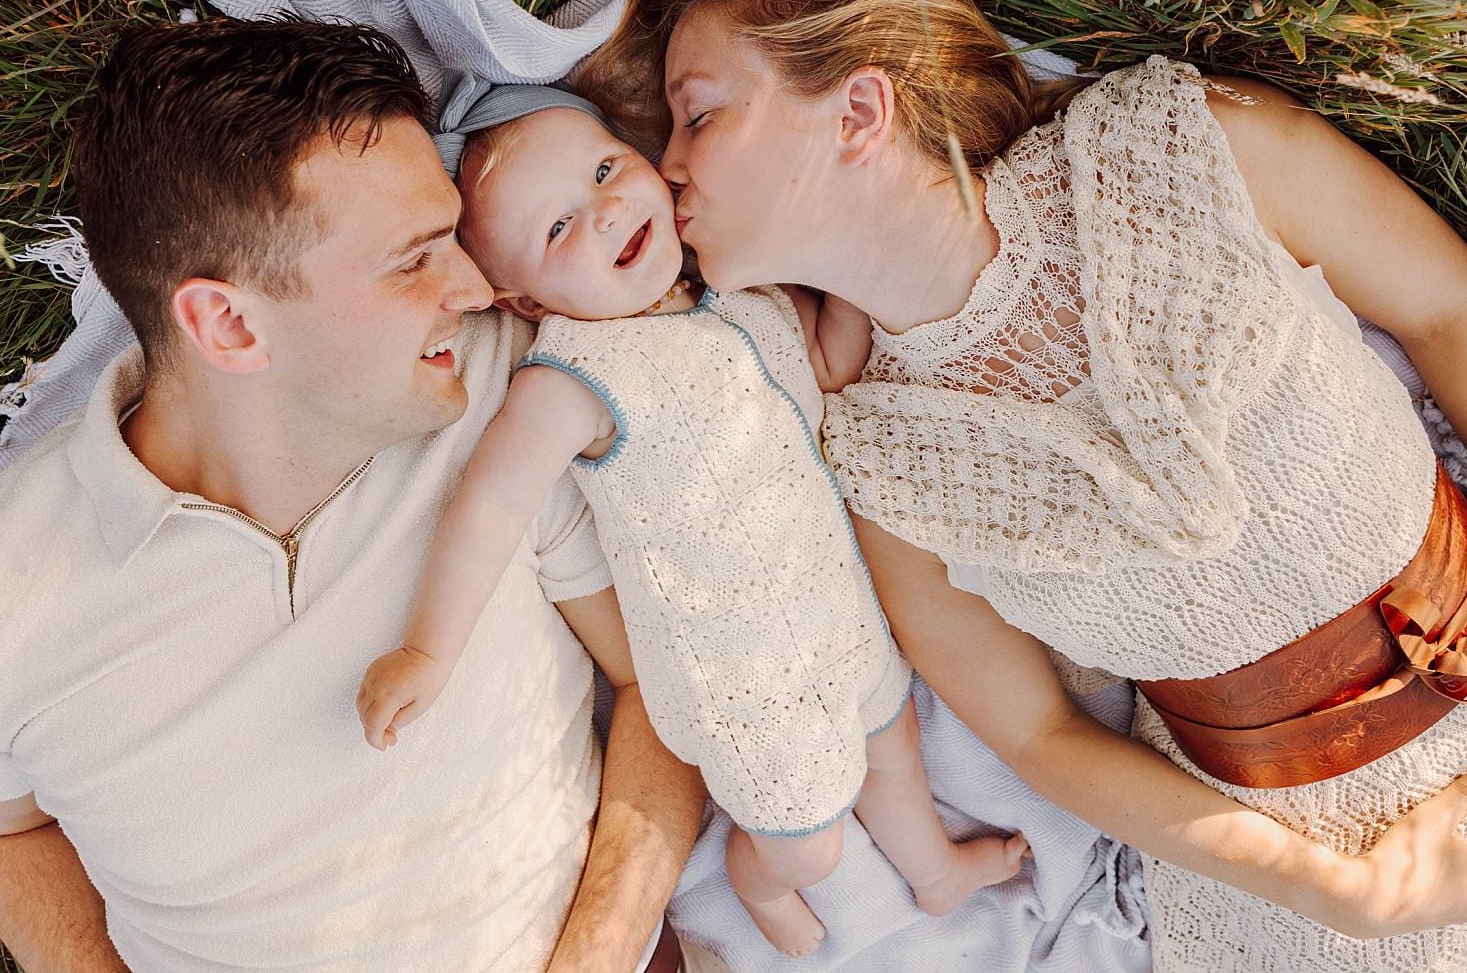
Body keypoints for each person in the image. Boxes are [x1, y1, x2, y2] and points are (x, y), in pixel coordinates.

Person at [575, 0, 1467, 970]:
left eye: (699, 114)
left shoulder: (1176, 146)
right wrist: (1340, 895)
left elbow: (1450, 311)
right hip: (1302, 891)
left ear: (858, 110)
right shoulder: (874, 456)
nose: (668, 166)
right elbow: (1040, 736)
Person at [0, 22, 710, 973]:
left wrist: (601, 952)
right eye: (414, 259)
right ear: (229, 325)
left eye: (452, 236)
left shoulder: (513, 395)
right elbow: (1, 830)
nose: (476, 287)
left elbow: (664, 689)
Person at [358, 84, 1028, 956]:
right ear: (523, 302)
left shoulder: (735, 290)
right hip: (742, 683)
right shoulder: (572, 378)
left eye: (605, 170)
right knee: (809, 840)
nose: (604, 212)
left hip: (840, 614)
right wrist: (427, 650)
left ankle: (935, 872)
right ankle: (760, 877)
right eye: (557, 228)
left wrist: (847, 270)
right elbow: (488, 508)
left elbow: (825, 364)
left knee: (893, 744)